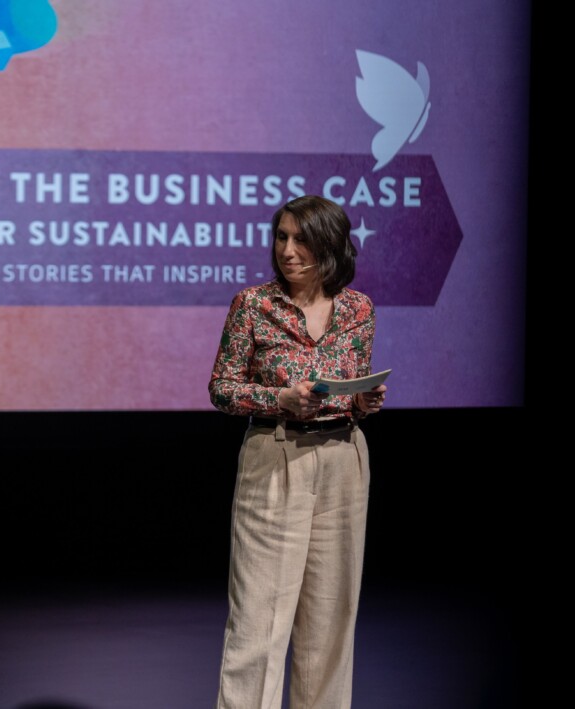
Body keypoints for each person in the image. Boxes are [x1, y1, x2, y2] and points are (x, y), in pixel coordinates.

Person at [208, 195, 387, 709]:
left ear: (330, 245)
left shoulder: (358, 310)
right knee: (258, 623)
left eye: (301, 239)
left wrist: (363, 400)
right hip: (276, 453)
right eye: (281, 237)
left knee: (330, 620)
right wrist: (278, 399)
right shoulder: (254, 305)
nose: (287, 250)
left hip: (344, 458)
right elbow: (222, 388)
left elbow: (353, 383)